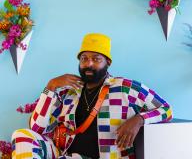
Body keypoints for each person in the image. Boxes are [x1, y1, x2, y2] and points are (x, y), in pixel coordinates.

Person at [12, 33, 172, 159]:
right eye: (84, 59)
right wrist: (50, 86)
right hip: (68, 154)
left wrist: (138, 120)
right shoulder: (69, 91)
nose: (89, 64)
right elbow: (36, 128)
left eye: (96, 59)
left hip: (107, 156)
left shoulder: (126, 87)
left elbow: (166, 109)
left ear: (108, 62)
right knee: (21, 135)